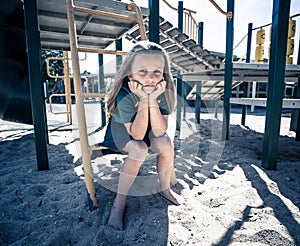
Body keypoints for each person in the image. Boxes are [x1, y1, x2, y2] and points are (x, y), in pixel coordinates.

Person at [95, 41, 182, 230]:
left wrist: (151, 98)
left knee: (166, 144)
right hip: (121, 136)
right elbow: (136, 134)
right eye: (142, 72)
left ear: (164, 74)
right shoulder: (125, 94)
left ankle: (165, 188)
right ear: (130, 73)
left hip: (148, 132)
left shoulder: (163, 92)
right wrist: (144, 99)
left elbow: (159, 132)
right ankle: (120, 201)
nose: (150, 78)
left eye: (157, 72)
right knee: (139, 148)